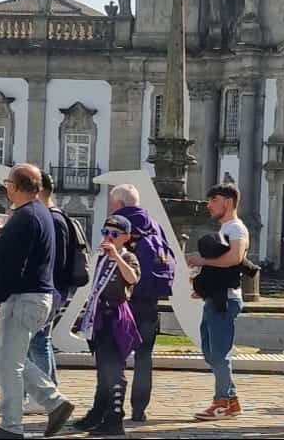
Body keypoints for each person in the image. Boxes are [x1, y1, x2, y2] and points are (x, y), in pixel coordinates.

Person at [0, 164, 76, 440]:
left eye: (8, 182)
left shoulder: (24, 217)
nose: (6, 186)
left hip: (23, 298)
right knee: (13, 360)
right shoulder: (38, 213)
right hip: (35, 297)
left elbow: (13, 267)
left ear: (14, 187)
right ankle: (54, 402)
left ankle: (11, 426)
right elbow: (20, 253)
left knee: (8, 365)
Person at [71, 214, 143, 438]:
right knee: (103, 369)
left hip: (116, 316)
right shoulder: (101, 258)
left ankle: (114, 418)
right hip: (99, 315)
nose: (109, 238)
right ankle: (98, 412)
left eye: (114, 234)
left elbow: (132, 279)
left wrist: (117, 258)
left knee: (114, 369)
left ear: (125, 237)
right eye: (106, 232)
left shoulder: (128, 256)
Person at [108, 184, 174, 423]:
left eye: (112, 203)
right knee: (144, 357)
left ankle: (112, 407)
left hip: (122, 300)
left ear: (120, 205)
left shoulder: (117, 224)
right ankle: (139, 408)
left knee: (114, 355)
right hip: (150, 301)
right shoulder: (154, 224)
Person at [186, 184, 249, 422]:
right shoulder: (226, 228)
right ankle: (230, 399)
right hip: (215, 298)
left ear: (229, 202)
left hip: (226, 301)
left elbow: (235, 257)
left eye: (214, 199)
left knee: (219, 354)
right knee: (211, 352)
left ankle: (223, 402)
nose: (209, 204)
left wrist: (202, 260)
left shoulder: (236, 228)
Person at [28, 169, 89, 386]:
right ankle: (45, 391)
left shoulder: (52, 219)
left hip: (49, 288)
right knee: (38, 340)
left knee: (37, 341)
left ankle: (45, 393)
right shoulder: (56, 216)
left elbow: (55, 259)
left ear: (39, 190)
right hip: (53, 288)